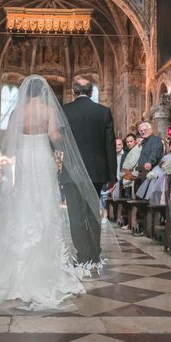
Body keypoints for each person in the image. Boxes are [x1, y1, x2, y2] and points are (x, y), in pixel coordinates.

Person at [0, 75, 97, 310]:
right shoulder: (48, 110)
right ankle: (44, 264)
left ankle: (15, 260)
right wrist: (66, 140)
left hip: (23, 159)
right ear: (43, 92)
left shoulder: (17, 112)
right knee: (42, 202)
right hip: (42, 157)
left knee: (21, 201)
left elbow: (8, 139)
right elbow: (54, 137)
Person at [61, 78, 117, 274]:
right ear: (91, 92)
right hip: (96, 171)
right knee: (93, 213)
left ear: (74, 92)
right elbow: (109, 144)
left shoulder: (64, 111)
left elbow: (59, 142)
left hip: (71, 171)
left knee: (75, 215)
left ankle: (83, 255)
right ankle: (95, 253)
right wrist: (112, 175)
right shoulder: (103, 112)